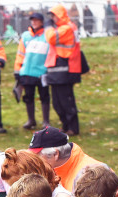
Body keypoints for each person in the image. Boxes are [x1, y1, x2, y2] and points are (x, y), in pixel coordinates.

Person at [44, 4, 84, 136]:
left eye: (53, 16)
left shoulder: (67, 28)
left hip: (65, 70)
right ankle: (66, 126)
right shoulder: (64, 28)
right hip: (57, 70)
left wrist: (48, 25)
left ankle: (72, 127)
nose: (52, 19)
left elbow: (50, 38)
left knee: (66, 101)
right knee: (57, 103)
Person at [28, 126, 102, 193]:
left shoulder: (90, 178)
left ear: (55, 154)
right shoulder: (52, 169)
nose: (34, 161)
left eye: (37, 156)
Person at [13, 13, 49, 130]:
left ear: (42, 22)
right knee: (28, 97)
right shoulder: (25, 36)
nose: (34, 22)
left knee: (44, 96)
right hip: (27, 72)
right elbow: (20, 54)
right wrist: (17, 70)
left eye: (36, 20)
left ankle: (46, 121)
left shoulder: (47, 35)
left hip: (42, 72)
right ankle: (31, 120)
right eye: (32, 20)